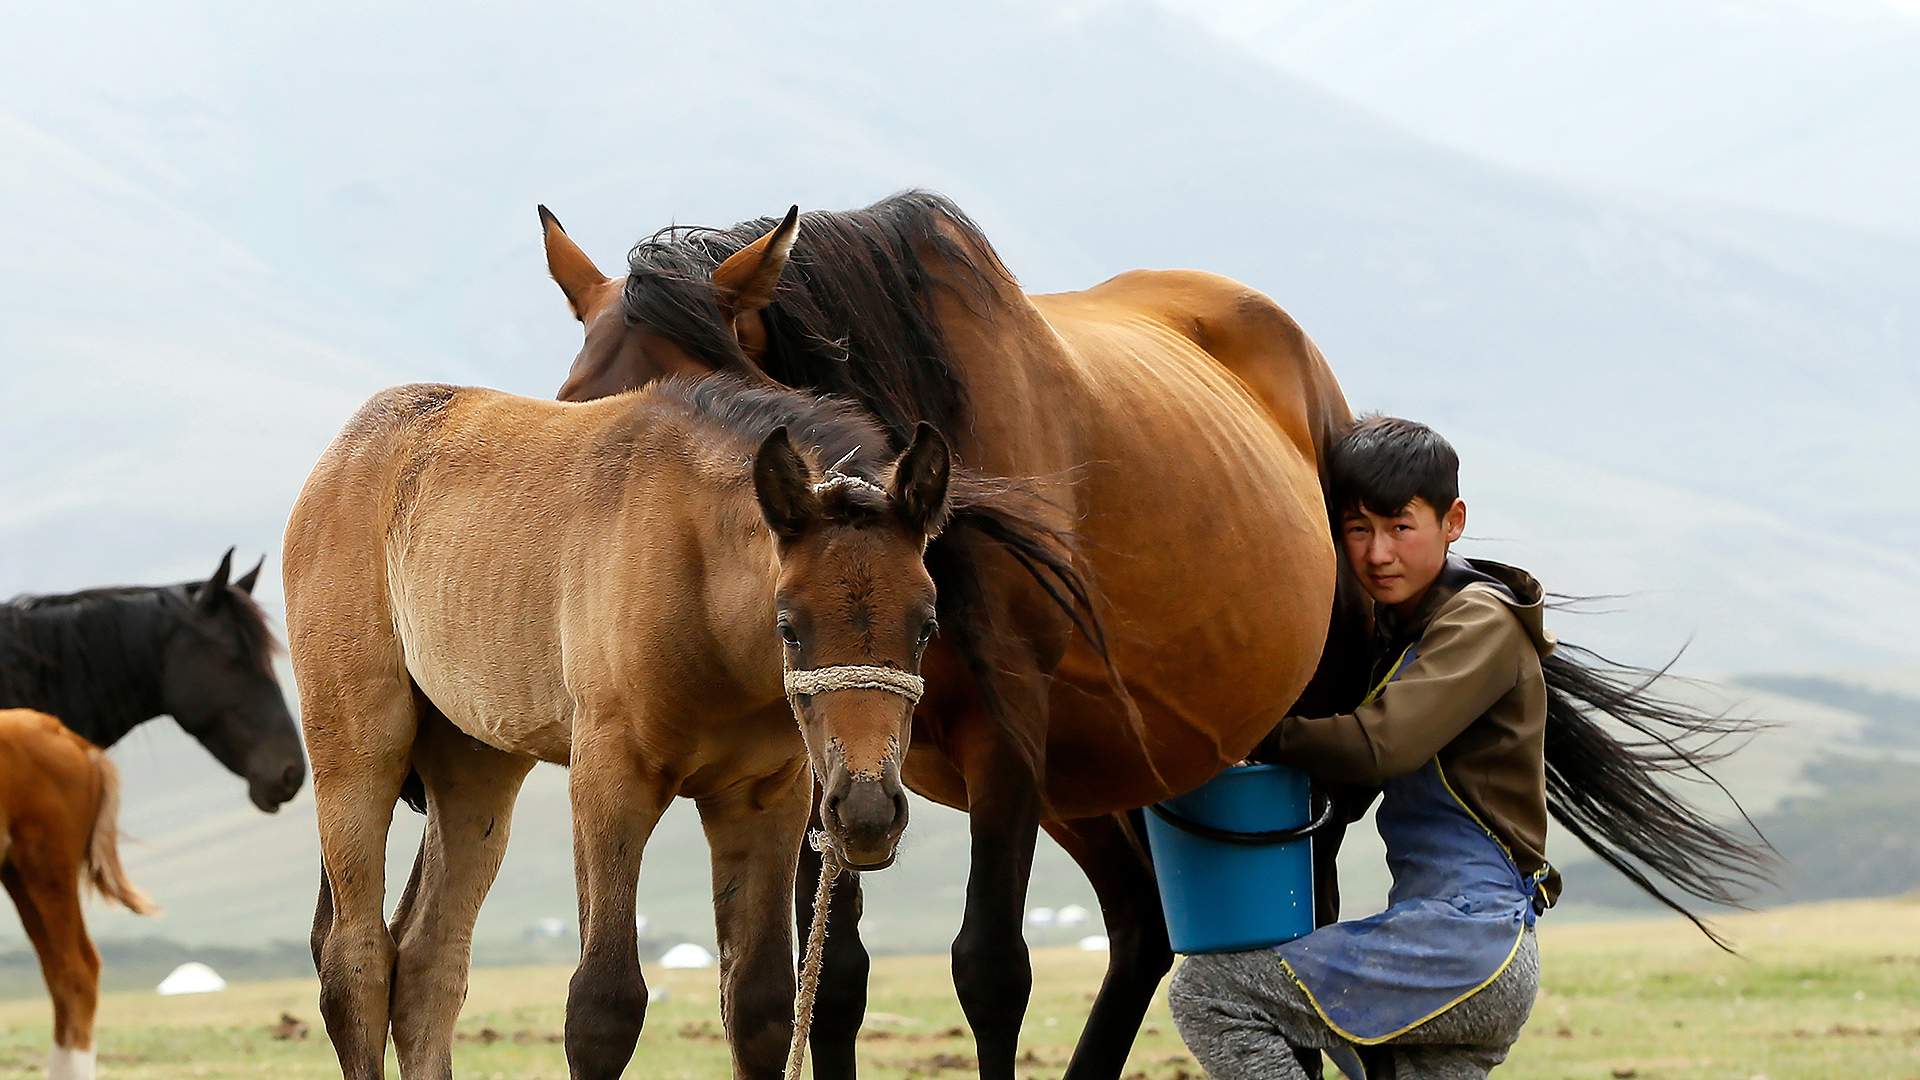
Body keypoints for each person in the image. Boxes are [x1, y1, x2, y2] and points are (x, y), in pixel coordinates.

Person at [1169, 416, 1557, 1079]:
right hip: (1463, 947)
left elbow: (1379, 747)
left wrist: (1242, 724)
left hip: (1467, 942)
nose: (1379, 553)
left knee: (1209, 992)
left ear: (1452, 520)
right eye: (1358, 529)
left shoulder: (1480, 622)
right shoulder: (1411, 630)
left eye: (1400, 527)